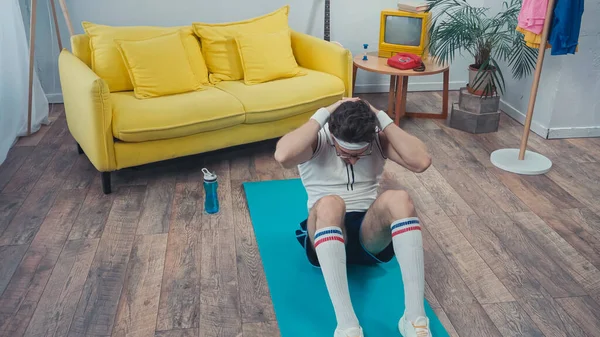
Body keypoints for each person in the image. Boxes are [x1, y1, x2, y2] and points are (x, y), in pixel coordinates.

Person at [274, 97, 433, 337]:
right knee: (331, 203)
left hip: (368, 236)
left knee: (399, 198)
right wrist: (326, 111)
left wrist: (379, 114)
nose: (353, 160)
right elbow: (283, 155)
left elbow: (421, 162)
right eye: (345, 153)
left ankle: (415, 319)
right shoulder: (318, 141)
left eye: (360, 154)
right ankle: (347, 326)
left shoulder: (377, 141)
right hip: (325, 230)